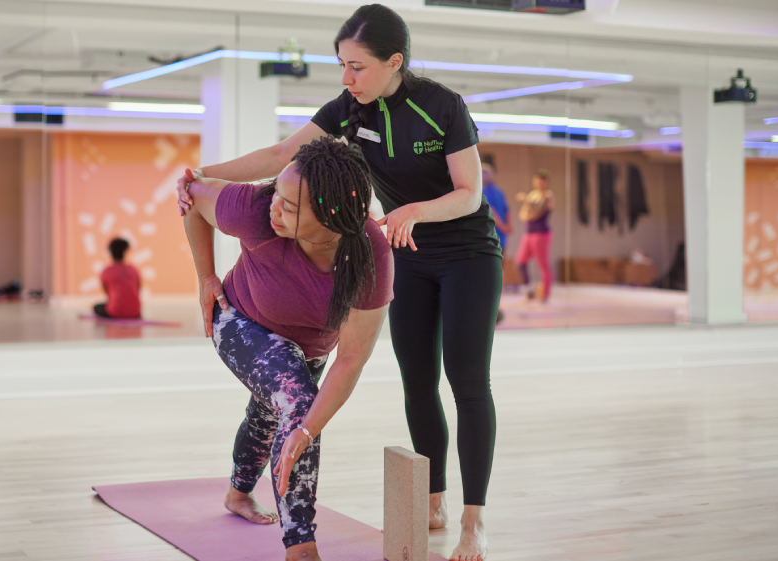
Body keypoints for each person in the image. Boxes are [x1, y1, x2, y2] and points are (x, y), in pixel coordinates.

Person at [177, 6, 500, 559]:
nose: (346, 79)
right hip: (407, 252)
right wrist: (206, 175)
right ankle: (433, 500)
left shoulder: (442, 105)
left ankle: (473, 521)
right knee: (417, 383)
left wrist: (414, 211)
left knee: (466, 382)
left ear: (394, 62)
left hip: (465, 252)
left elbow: (470, 193)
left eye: (356, 67)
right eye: (342, 66)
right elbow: (283, 154)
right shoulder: (350, 109)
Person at [180, 137, 393, 561]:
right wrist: (206, 276)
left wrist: (308, 429)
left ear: (332, 217)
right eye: (276, 193)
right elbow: (190, 194)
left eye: (291, 207)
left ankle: (237, 493)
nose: (274, 207)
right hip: (239, 320)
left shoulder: (370, 255)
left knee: (270, 416)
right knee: (296, 403)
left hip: (310, 347)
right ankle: (301, 546)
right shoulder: (254, 208)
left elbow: (351, 358)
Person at [515, 170, 555, 302]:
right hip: (529, 233)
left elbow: (539, 210)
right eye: (537, 180)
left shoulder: (547, 195)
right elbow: (524, 215)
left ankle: (545, 294)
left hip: (541, 233)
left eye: (542, 181)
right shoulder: (533, 195)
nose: (539, 183)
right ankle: (529, 290)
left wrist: (526, 201)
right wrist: (528, 205)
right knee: (520, 261)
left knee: (543, 265)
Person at [481, 162, 511, 324]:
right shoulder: (500, 192)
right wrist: (507, 227)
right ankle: (498, 297)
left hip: (491, 236)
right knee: (501, 267)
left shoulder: (485, 192)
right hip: (502, 237)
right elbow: (508, 211)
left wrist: (502, 226)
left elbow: (491, 211)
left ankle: (492, 301)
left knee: (492, 269)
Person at [94, 237, 142, 319]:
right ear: (125, 252)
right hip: (135, 312)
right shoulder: (133, 269)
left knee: (96, 307)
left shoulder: (106, 271)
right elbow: (138, 288)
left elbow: (107, 293)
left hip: (115, 312)